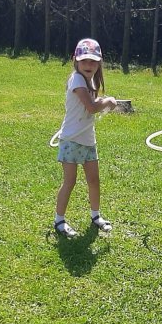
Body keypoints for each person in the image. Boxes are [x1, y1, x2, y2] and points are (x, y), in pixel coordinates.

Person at [53, 38, 117, 238]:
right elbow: (90, 107)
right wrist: (107, 101)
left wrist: (102, 102)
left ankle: (96, 216)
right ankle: (59, 220)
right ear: (76, 61)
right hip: (71, 139)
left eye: (93, 61)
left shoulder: (90, 81)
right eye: (84, 61)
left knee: (94, 180)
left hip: (88, 139)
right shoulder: (77, 79)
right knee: (69, 181)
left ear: (99, 63)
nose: (89, 65)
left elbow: (90, 106)